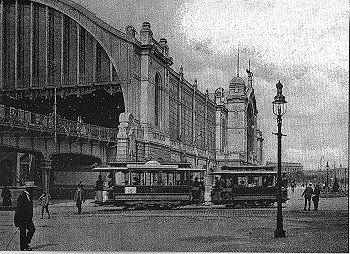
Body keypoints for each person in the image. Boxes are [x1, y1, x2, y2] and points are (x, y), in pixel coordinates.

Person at [14, 181, 37, 251]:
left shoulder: (29, 196)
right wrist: (18, 221)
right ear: (29, 189)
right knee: (23, 233)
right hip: (22, 219)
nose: (34, 190)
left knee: (32, 229)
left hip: (28, 219)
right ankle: (23, 247)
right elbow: (19, 210)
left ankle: (26, 244)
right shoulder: (22, 197)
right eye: (32, 189)